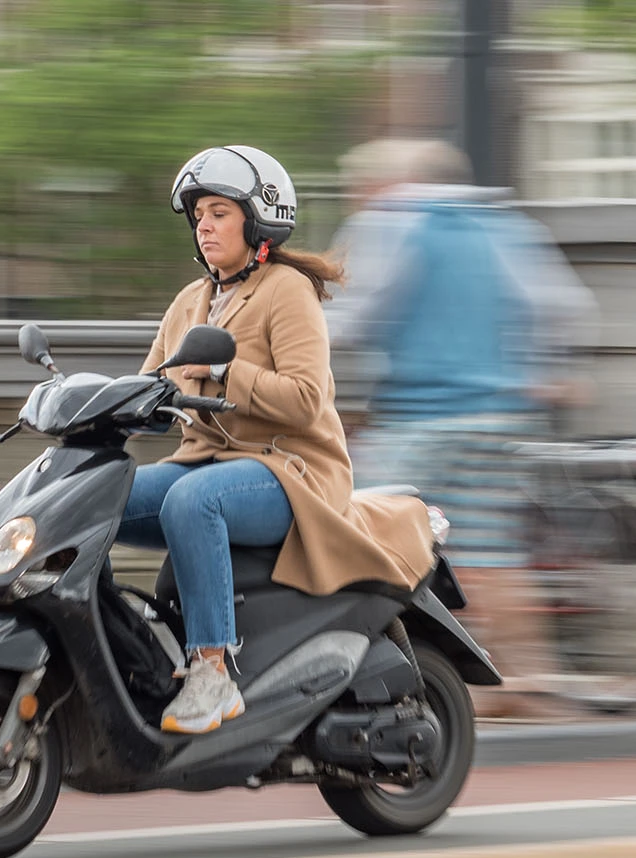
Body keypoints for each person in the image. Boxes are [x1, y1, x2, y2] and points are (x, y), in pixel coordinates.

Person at [121, 144, 435, 734]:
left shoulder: (285, 289)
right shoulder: (191, 302)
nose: (205, 225)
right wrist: (90, 409)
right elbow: (150, 390)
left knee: (194, 501)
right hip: (207, 460)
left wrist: (223, 372)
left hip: (290, 473)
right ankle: (120, 651)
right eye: (199, 215)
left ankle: (213, 674)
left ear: (257, 219)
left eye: (219, 212)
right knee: (103, 496)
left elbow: (304, 398)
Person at [325, 138, 596, 717]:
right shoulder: (505, 227)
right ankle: (528, 676)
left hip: (423, 417)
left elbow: (357, 317)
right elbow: (564, 305)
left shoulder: (392, 222)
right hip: (498, 416)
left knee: (361, 529)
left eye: (360, 187)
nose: (358, 198)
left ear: (387, 183)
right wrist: (549, 371)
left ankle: (379, 676)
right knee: (492, 550)